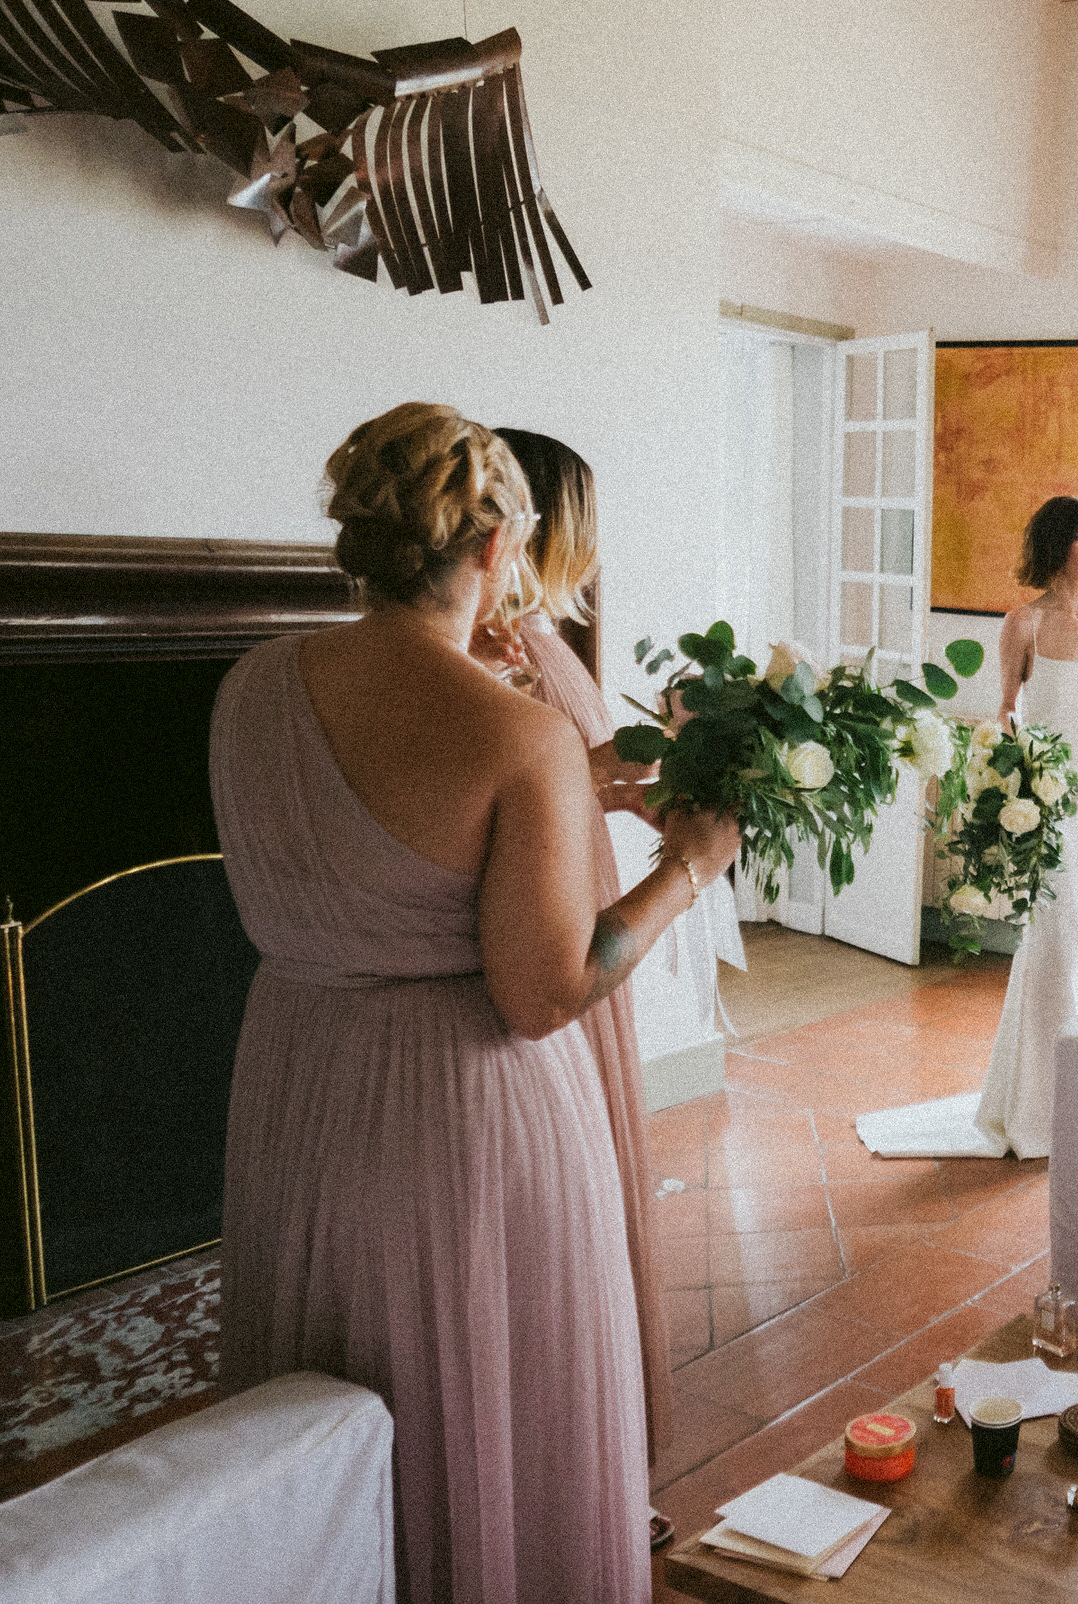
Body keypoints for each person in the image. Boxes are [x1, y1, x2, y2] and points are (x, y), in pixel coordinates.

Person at [209, 403, 742, 1603]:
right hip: (463, 1117)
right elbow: (549, 987)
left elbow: (377, 859)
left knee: (330, 1375)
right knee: (483, 1387)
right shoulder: (516, 729)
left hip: (296, 1082)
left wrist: (576, 781)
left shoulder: (249, 685)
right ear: (499, 549)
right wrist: (689, 867)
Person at [465, 428, 677, 1542]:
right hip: (558, 950)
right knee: (568, 1225)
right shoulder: (505, 652)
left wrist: (634, 776)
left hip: (590, 934)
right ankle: (574, 1476)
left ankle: (599, 1462)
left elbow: (563, 783)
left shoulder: (538, 636)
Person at [854, 495, 1078, 1159]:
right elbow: (1006, 710)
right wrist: (1020, 772)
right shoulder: (1024, 623)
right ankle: (1041, 1105)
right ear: (1054, 545)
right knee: (1060, 930)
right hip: (1049, 788)